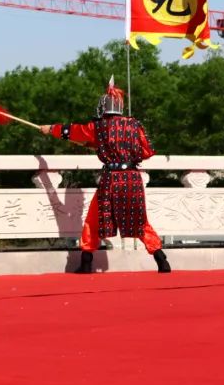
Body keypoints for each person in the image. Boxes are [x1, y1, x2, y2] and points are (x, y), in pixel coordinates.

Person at [39, 78, 170, 274]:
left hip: (112, 180)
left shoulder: (98, 127)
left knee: (93, 220)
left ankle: (86, 262)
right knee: (139, 220)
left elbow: (75, 131)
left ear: (103, 107)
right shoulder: (134, 124)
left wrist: (51, 129)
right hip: (132, 179)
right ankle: (161, 258)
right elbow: (146, 151)